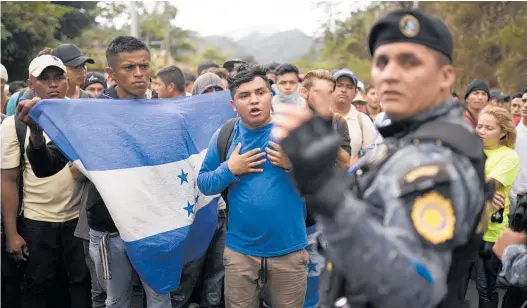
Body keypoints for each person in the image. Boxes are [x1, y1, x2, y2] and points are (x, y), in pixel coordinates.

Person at [272, 9, 495, 308]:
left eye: (409, 61)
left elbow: (414, 292)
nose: (389, 73)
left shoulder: (435, 162)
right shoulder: (410, 137)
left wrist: (327, 190)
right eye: (382, 62)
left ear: (446, 77)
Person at [17, 36, 172, 308]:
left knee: (160, 297)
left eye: (144, 67)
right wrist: (36, 133)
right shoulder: (90, 115)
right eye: (129, 68)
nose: (139, 74)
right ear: (111, 73)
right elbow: (46, 166)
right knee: (117, 301)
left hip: (154, 225)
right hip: (110, 229)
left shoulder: (163, 113)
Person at [197, 64, 308, 308]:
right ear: (234, 104)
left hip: (289, 252)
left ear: (272, 96)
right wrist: (230, 169)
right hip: (240, 255)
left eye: (260, 93)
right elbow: (203, 183)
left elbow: (322, 182)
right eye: (244, 96)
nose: (254, 101)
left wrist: (293, 164)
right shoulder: (225, 135)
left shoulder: (294, 132)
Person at [2, 54, 92, 308]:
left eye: (58, 77)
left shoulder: (82, 118)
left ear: (67, 80)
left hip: (78, 221)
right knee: (38, 288)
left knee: (80, 287)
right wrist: (12, 234)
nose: (53, 84)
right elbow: (7, 180)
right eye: (44, 78)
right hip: (37, 222)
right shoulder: (15, 125)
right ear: (32, 83)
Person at [467, 106, 520, 308]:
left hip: (490, 234)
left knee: (485, 289)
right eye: (479, 126)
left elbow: (488, 185)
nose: (481, 131)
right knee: (456, 285)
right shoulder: (470, 150)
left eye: (489, 128)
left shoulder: (509, 157)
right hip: (463, 229)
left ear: (503, 132)